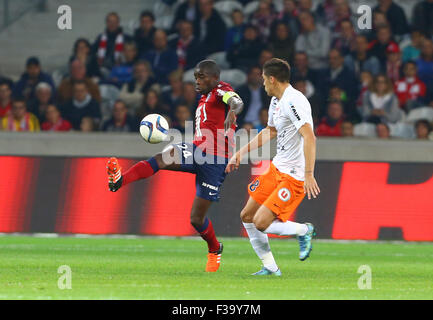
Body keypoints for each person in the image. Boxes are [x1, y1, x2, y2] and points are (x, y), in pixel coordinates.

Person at [106, 60, 244, 272]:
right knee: (161, 158)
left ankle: (215, 249)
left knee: (196, 219)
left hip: (215, 160)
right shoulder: (204, 97)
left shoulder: (220, 90)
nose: (197, 81)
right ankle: (119, 180)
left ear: (214, 78)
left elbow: (236, 101)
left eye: (201, 77)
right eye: (195, 77)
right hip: (197, 151)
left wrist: (233, 111)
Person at [226, 58, 319, 276]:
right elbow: (271, 131)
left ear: (272, 79)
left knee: (261, 222)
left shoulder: (294, 101)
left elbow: (309, 136)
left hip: (293, 175)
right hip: (277, 168)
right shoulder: (277, 100)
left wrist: (309, 174)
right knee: (247, 216)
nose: (263, 84)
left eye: (264, 80)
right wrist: (240, 153)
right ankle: (270, 267)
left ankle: (304, 230)